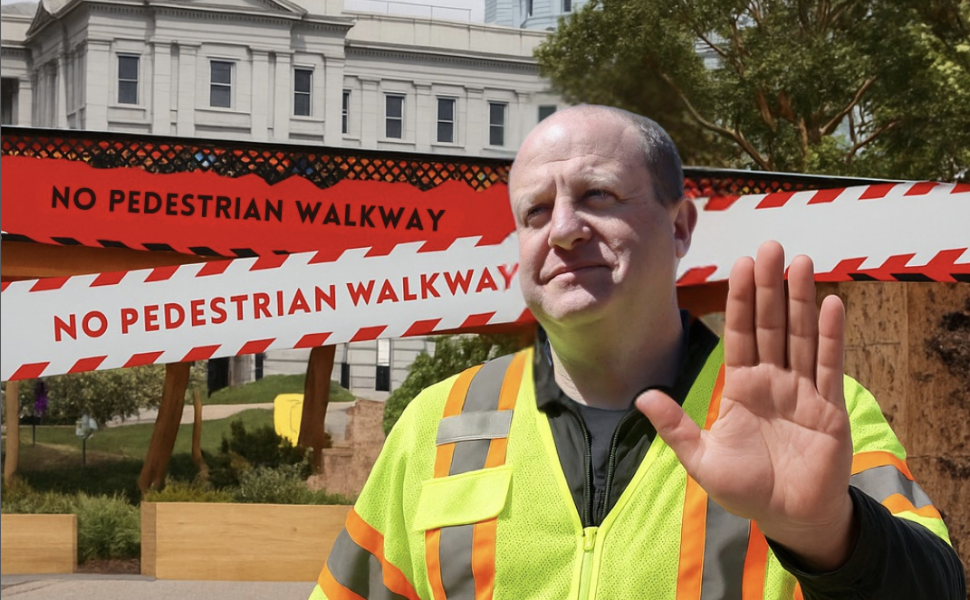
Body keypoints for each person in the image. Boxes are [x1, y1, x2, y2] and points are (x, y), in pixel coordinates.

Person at [308, 105, 966, 599]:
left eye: (598, 195)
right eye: (535, 212)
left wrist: (829, 535)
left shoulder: (819, 417)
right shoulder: (433, 425)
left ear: (679, 226)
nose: (563, 230)